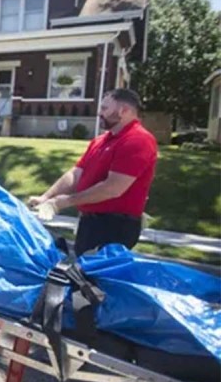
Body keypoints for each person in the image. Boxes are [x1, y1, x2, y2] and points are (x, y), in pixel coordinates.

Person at [29, 88, 158, 256]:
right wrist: (46, 197)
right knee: (82, 274)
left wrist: (65, 202)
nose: (99, 113)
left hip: (115, 226)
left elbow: (113, 188)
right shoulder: (101, 140)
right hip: (91, 222)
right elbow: (76, 173)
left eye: (105, 108)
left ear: (124, 110)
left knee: (97, 278)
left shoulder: (138, 140)